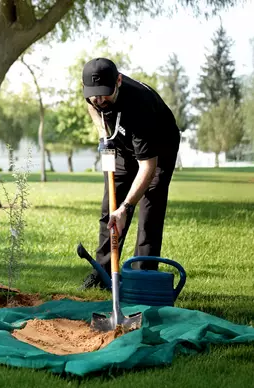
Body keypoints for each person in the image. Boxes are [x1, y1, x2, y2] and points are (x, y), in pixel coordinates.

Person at [79, 57, 181, 290]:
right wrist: (103, 136)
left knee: (149, 209)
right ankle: (103, 273)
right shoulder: (94, 94)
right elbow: (91, 105)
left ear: (119, 81)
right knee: (109, 210)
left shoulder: (139, 105)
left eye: (105, 93)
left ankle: (142, 275)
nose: (99, 100)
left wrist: (126, 207)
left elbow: (147, 166)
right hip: (122, 146)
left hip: (158, 150)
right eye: (95, 94)